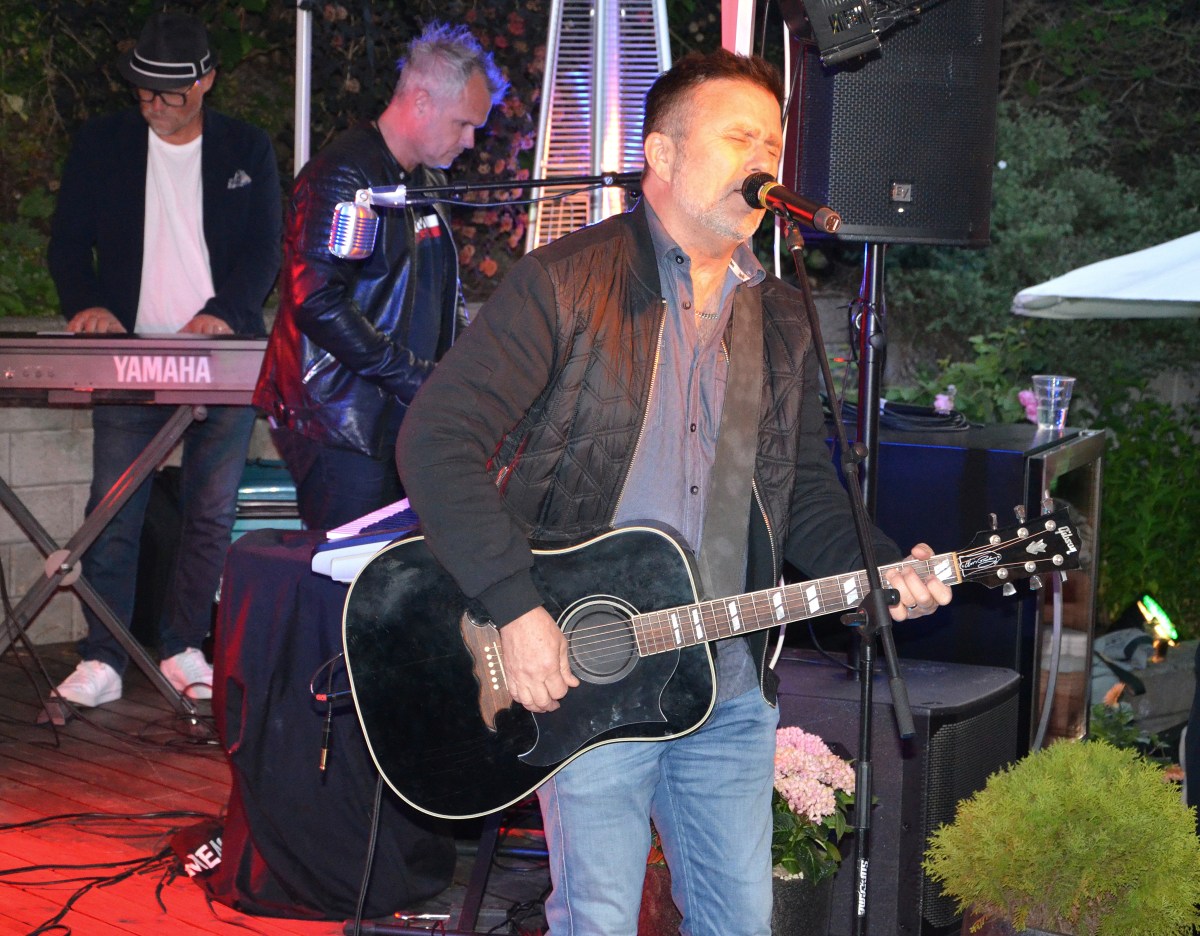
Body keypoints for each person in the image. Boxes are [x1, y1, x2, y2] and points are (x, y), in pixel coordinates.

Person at [396, 49, 954, 934]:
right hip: (587, 670)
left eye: (771, 142)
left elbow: (803, 491)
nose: (762, 160)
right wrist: (518, 608)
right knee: (600, 919)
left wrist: (880, 567)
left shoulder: (779, 315)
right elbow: (435, 440)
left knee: (739, 924)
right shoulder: (565, 283)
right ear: (661, 154)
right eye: (738, 137)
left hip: (726, 679)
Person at [45, 12, 282, 706]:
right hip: (130, 357)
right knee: (112, 509)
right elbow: (67, 244)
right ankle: (103, 657)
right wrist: (87, 305)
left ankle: (183, 646)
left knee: (210, 510)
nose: (154, 105)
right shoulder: (103, 144)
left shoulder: (245, 147)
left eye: (170, 93)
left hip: (219, 356)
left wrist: (225, 313)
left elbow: (264, 249)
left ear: (206, 81)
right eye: (144, 91)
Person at [253, 22, 507, 532]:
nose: (470, 140)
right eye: (463, 124)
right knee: (349, 571)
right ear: (421, 102)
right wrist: (416, 377)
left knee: (392, 567)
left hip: (395, 417)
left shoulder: (428, 180)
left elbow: (444, 294)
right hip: (340, 421)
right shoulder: (346, 173)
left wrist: (460, 374)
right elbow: (316, 300)